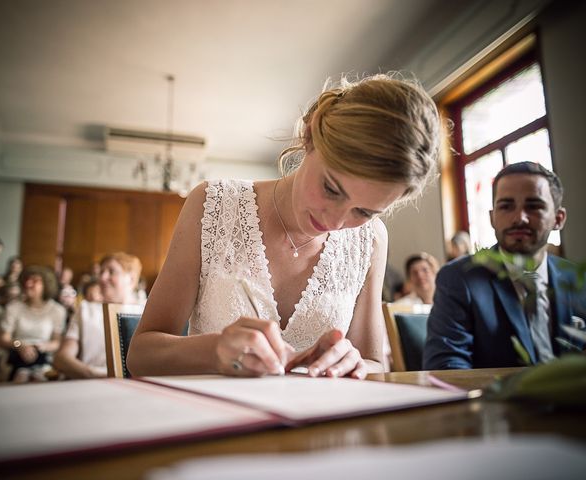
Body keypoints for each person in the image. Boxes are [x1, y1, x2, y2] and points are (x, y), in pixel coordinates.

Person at [127, 73, 441, 379]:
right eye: (332, 189)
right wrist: (214, 350)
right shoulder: (212, 204)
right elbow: (141, 356)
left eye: (364, 211)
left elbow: (374, 363)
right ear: (309, 135)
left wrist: (354, 363)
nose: (334, 222)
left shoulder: (370, 240)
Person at [424, 162, 586, 370]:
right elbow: (445, 367)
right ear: (492, 218)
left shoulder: (577, 279)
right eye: (506, 206)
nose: (519, 218)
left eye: (534, 206)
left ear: (558, 219)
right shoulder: (459, 278)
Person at [53, 253, 143, 379]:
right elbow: (62, 358)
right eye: (101, 272)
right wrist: (96, 375)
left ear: (131, 279)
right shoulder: (86, 310)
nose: (102, 277)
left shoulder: (145, 313)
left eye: (111, 272)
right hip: (91, 382)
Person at [0, 266, 66, 382]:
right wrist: (20, 345)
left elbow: (57, 342)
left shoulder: (57, 310)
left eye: (35, 281)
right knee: (21, 376)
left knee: (40, 377)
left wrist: (43, 346)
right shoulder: (13, 307)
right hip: (16, 354)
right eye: (27, 280)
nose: (28, 283)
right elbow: (4, 338)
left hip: (43, 356)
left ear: (46, 285)